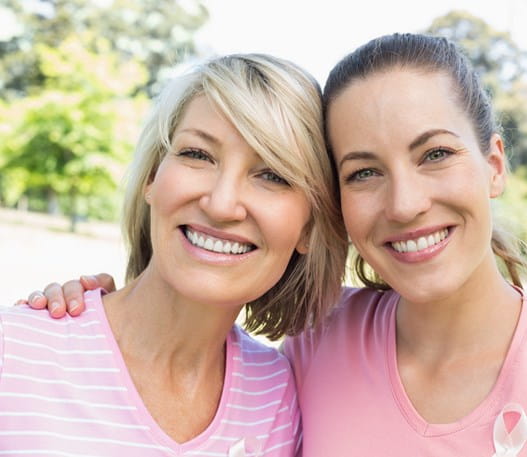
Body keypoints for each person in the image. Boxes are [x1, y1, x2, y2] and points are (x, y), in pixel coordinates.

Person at [23, 34, 527, 456]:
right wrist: (70, 325)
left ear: (494, 166)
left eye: (436, 153)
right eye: (364, 172)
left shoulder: (278, 389)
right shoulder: (316, 347)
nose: (404, 203)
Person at [2, 53, 348, 456]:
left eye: (272, 175)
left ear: (309, 226)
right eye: (198, 155)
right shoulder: (15, 350)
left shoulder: (277, 397)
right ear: (153, 177)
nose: (221, 204)